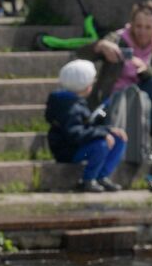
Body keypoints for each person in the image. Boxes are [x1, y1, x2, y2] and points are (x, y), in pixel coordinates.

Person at [92, 0, 152, 161]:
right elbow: (88, 52)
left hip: (146, 95)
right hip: (118, 98)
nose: (142, 32)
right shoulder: (118, 38)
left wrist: (144, 69)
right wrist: (102, 46)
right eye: (138, 26)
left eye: (147, 27)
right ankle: (140, 142)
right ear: (132, 24)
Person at [47, 59, 127, 193]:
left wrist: (107, 130)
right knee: (102, 145)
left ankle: (102, 176)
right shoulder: (69, 107)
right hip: (68, 151)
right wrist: (103, 133)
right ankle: (88, 180)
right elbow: (75, 133)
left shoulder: (76, 102)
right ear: (86, 85)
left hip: (79, 146)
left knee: (118, 138)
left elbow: (86, 127)